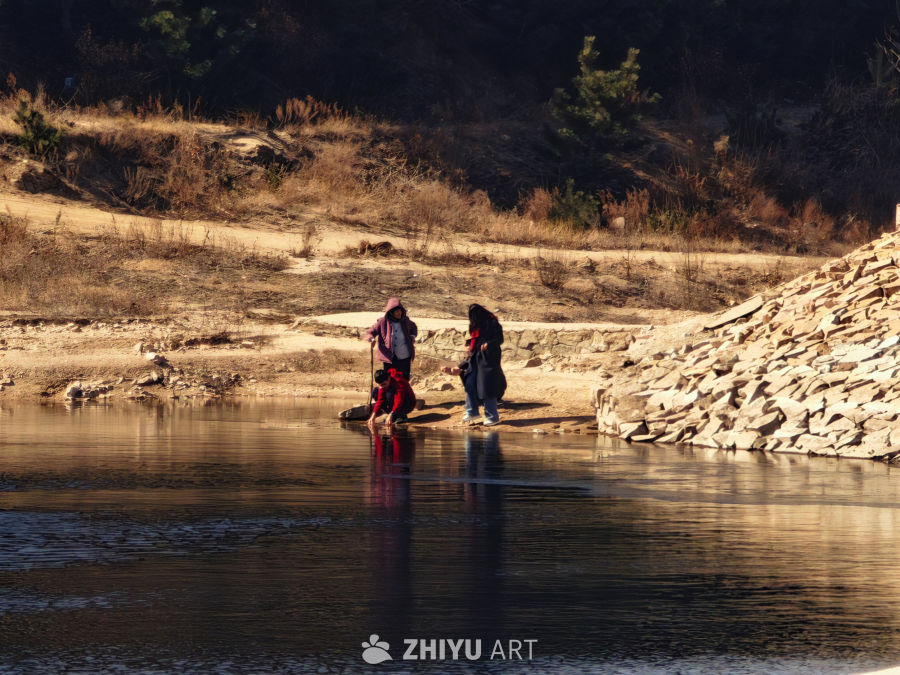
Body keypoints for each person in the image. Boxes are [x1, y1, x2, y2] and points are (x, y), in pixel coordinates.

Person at [443, 304, 506, 426]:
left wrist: (489, 344)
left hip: (489, 359)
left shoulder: (492, 323)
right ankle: (472, 412)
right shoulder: (475, 326)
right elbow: (474, 341)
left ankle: (492, 417)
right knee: (470, 383)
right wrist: (468, 348)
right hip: (475, 358)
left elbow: (499, 339)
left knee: (487, 387)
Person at [365, 297, 417, 382]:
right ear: (391, 312)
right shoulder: (382, 322)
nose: (399, 313)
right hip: (389, 358)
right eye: (396, 311)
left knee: (403, 381)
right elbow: (370, 332)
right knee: (389, 381)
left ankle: (403, 395)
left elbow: (413, 327)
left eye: (400, 311)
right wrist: (372, 339)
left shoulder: (405, 321)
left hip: (405, 356)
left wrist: (412, 336)